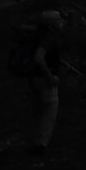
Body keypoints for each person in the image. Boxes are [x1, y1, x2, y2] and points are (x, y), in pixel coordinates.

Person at [26, 11, 65, 157]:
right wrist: (50, 76)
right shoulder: (48, 37)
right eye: (58, 20)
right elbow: (38, 57)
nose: (61, 22)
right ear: (51, 23)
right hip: (44, 79)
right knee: (50, 109)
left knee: (38, 109)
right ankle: (40, 144)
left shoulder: (36, 35)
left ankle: (34, 141)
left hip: (33, 78)